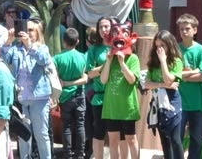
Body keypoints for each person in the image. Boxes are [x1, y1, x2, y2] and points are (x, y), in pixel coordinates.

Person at [2, 20, 53, 159]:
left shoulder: (41, 47)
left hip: (40, 97)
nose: (27, 32)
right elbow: (4, 60)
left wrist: (29, 46)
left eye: (31, 30)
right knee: (23, 135)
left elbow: (44, 60)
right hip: (22, 97)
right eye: (26, 29)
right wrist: (8, 41)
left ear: (37, 33)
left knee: (41, 134)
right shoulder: (15, 48)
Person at [100, 19, 141, 159]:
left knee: (131, 139)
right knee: (113, 140)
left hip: (127, 108)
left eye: (124, 33)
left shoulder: (133, 59)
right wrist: (109, 61)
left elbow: (132, 80)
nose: (119, 36)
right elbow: (103, 80)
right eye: (115, 33)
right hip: (112, 108)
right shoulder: (109, 59)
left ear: (132, 38)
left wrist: (123, 63)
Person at [145, 31, 183, 159]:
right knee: (164, 139)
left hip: (172, 102)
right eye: (157, 46)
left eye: (162, 45)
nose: (159, 49)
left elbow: (169, 80)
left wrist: (163, 61)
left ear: (169, 44)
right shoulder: (152, 63)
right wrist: (162, 85)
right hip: (157, 102)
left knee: (175, 139)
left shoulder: (176, 61)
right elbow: (147, 84)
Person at [177, 13, 202, 159]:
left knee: (196, 139)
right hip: (179, 103)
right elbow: (171, 74)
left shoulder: (201, 50)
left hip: (197, 103)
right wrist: (192, 73)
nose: (184, 31)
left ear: (195, 30)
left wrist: (181, 76)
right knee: (177, 137)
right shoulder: (176, 49)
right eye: (182, 29)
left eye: (187, 28)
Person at [55, 28, 90, 159]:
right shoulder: (82, 57)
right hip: (79, 94)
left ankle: (67, 154)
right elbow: (84, 76)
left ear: (64, 42)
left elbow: (56, 78)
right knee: (80, 124)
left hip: (65, 97)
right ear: (78, 41)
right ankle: (80, 154)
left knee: (67, 126)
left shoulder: (57, 58)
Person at [85, 20, 111, 159]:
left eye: (106, 26)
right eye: (100, 27)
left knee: (118, 133)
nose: (103, 29)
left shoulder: (118, 45)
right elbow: (90, 73)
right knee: (99, 131)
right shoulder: (94, 49)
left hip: (116, 96)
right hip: (99, 96)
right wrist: (106, 66)